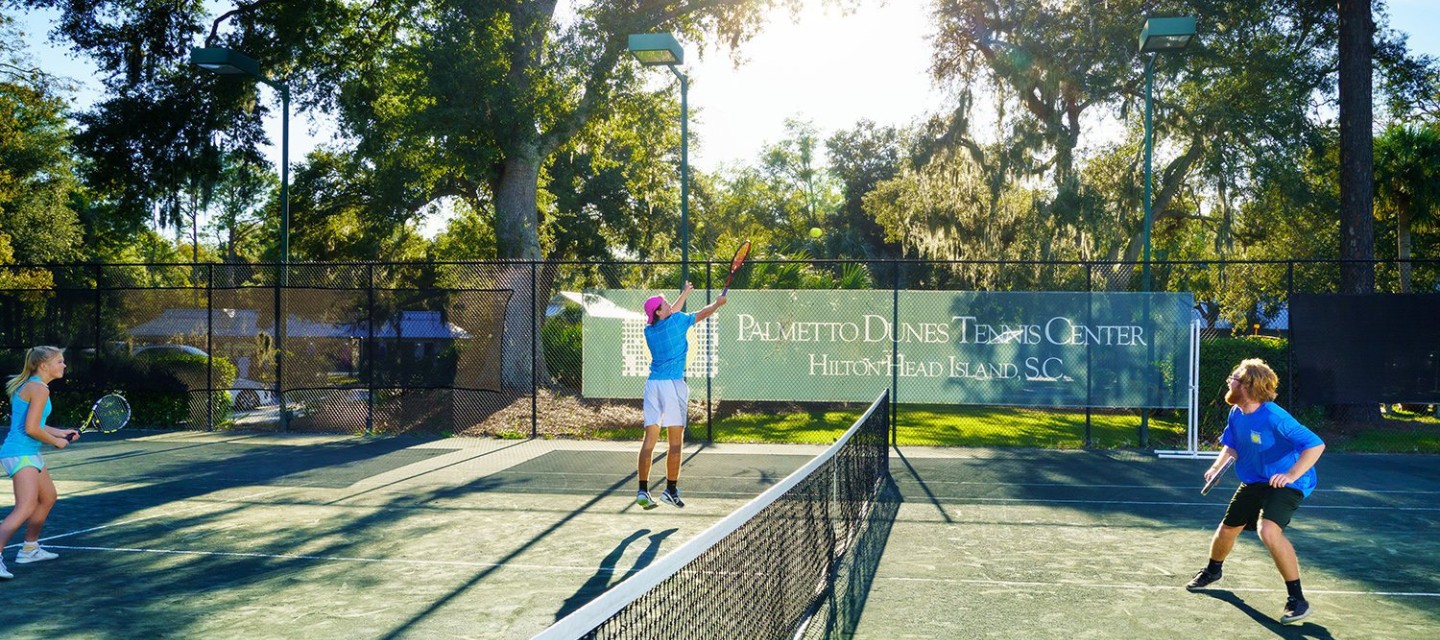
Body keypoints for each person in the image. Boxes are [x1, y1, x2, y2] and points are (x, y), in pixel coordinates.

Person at [1186, 358, 1326, 625]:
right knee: (1228, 528)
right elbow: (1232, 445)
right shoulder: (1237, 413)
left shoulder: (1275, 417)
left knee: (1268, 530)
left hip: (1289, 482)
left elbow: (1316, 445)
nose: (1229, 381)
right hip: (1255, 480)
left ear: (1248, 386)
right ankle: (1213, 571)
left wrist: (1290, 475)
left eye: (1234, 378)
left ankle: (1298, 600)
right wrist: (1217, 467)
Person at [635, 283, 726, 510]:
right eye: (665, 304)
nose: (669, 305)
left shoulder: (650, 330)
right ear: (658, 312)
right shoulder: (677, 321)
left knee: (649, 441)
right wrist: (718, 303)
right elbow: (703, 313)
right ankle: (671, 490)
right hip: (673, 386)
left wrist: (685, 294)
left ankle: (643, 490)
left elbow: (670, 313)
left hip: (652, 385)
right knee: (676, 443)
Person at [0, 346, 78, 579]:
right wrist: (57, 441)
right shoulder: (39, 389)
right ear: (44, 366)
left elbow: (36, 423)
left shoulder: (33, 386)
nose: (64, 365)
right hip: (21, 452)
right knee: (25, 507)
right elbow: (31, 429)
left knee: (48, 497)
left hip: (28, 452)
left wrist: (62, 432)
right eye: (60, 362)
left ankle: (30, 549)